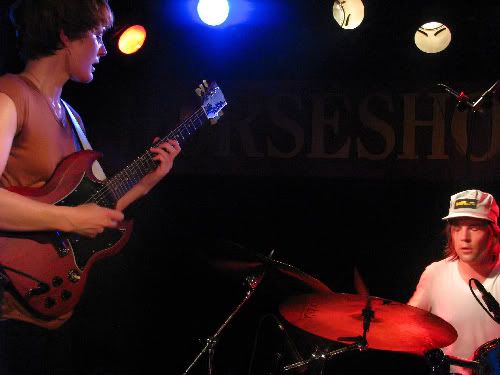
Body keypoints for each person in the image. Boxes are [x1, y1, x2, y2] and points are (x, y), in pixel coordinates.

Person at [0, 0, 180, 373]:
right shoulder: (11, 95)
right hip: (7, 312)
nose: (103, 49)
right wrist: (68, 221)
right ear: (65, 35)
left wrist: (146, 183)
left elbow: (90, 210)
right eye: (97, 35)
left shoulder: (74, 118)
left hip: (52, 315)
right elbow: (73, 219)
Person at [409, 189, 500, 374]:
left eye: (474, 227)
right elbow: (406, 327)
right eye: (457, 228)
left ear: (493, 232)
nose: (464, 237)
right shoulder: (435, 273)